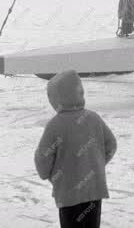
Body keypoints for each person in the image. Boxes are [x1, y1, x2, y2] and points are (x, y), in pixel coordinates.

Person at [34, 69, 117, 228]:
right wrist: (96, 164)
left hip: (68, 192)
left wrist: (47, 174)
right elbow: (111, 145)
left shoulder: (55, 125)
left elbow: (43, 158)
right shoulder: (93, 118)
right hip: (94, 189)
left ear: (56, 98)